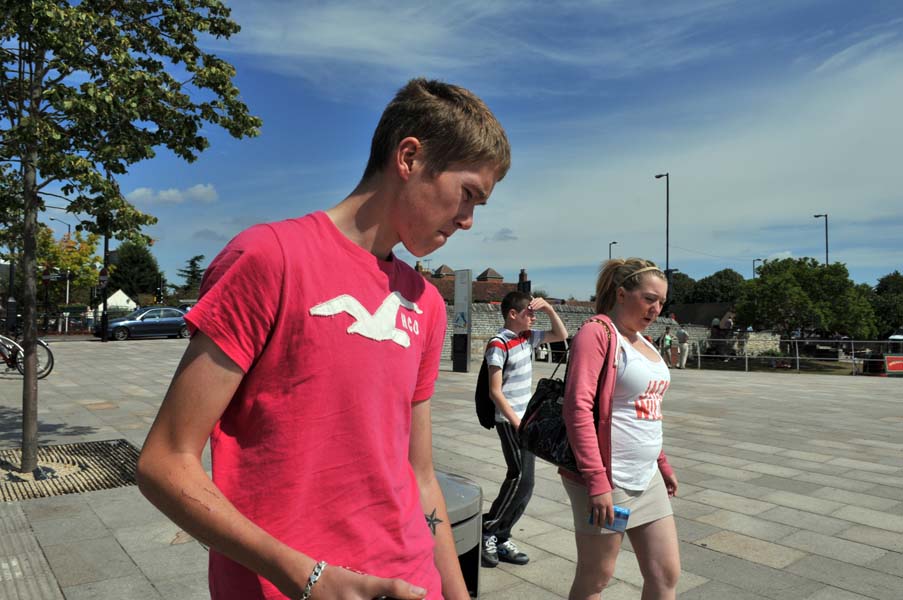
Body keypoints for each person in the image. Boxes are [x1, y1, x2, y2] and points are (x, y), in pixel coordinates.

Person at [136, 78, 510, 600]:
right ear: (409, 158)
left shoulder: (424, 303)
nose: (468, 220)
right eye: (468, 194)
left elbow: (419, 475)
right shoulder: (270, 258)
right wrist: (309, 578)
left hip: (412, 579)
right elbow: (164, 462)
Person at [561, 259, 680, 600]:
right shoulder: (597, 333)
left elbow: (645, 410)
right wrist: (598, 482)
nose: (656, 309)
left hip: (647, 477)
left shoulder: (644, 341)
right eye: (649, 299)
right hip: (609, 480)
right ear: (622, 294)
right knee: (597, 576)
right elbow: (577, 408)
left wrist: (662, 462)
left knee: (665, 572)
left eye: (661, 302)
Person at [481, 291, 568, 568]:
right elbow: (495, 391)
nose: (533, 317)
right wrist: (517, 422)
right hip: (509, 421)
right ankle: (489, 530)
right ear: (513, 314)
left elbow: (561, 334)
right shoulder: (498, 344)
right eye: (529, 313)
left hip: (525, 419)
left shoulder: (528, 338)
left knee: (526, 483)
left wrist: (549, 309)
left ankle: (501, 535)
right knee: (520, 477)